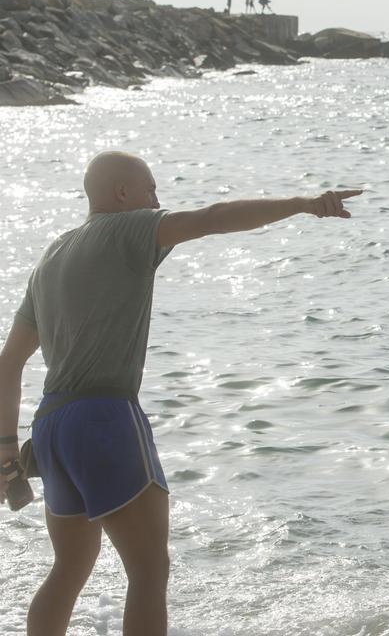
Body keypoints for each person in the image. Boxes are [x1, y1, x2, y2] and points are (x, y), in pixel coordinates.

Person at [0, 151, 361, 635]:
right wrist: (303, 204)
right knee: (149, 571)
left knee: (68, 569)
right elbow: (212, 219)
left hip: (50, 427)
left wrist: (6, 447)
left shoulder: (52, 257)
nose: (157, 200)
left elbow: (9, 362)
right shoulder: (126, 230)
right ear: (122, 193)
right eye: (150, 189)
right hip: (104, 417)